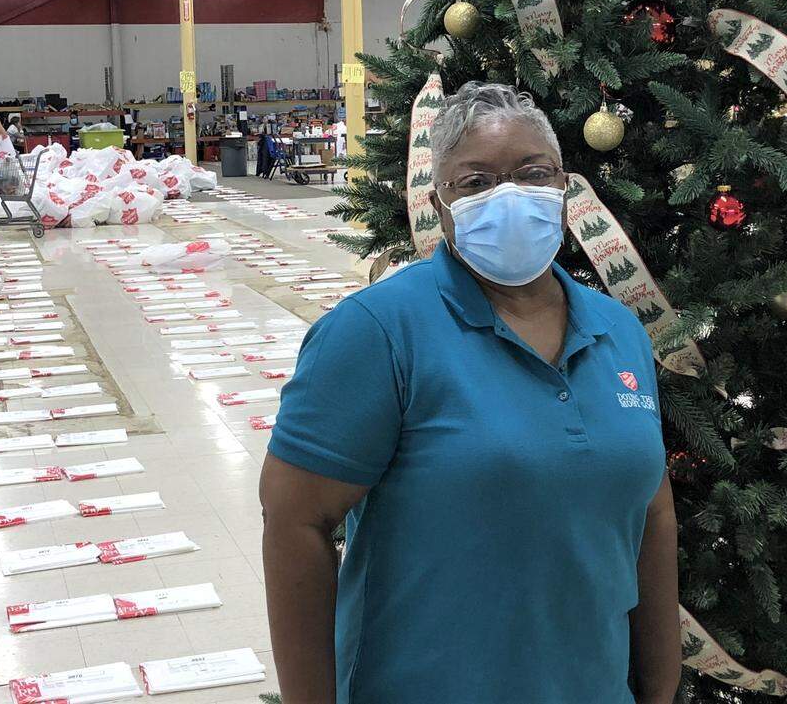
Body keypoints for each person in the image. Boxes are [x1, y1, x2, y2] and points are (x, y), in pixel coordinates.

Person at [260, 82, 681, 704]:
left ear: (565, 187)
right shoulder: (377, 333)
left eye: (534, 173)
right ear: (440, 203)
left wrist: (660, 685)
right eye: (476, 182)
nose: (510, 197)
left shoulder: (617, 329)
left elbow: (652, 511)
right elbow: (295, 521)